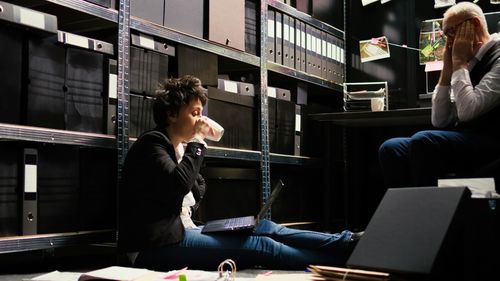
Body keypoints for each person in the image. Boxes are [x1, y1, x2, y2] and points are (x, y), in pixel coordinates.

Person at [118, 75, 360, 271]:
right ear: (171, 114)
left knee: (264, 227)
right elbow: (179, 185)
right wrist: (199, 140)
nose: (201, 119)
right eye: (195, 113)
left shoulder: (178, 148)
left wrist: (191, 148)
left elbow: (196, 188)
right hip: (152, 247)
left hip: (181, 230)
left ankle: (347, 241)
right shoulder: (152, 143)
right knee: (261, 246)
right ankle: (346, 263)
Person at [378, 2, 500, 188]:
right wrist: (447, 70)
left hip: (491, 140)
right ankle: (408, 212)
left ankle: (429, 213)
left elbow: (469, 111)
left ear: (474, 25)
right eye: (445, 35)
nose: (448, 41)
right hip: (466, 137)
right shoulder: (469, 61)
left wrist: (458, 61)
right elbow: (440, 120)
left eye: (452, 32)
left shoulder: (496, 56)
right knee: (392, 148)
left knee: (424, 141)